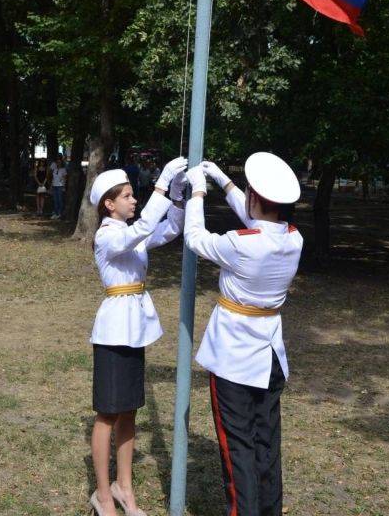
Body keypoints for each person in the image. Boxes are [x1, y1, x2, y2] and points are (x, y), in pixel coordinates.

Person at [184, 153, 303, 516]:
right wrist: (225, 182)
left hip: (235, 358)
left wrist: (198, 194)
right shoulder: (293, 238)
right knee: (266, 443)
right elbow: (259, 219)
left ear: (255, 198)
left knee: (238, 449)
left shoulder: (241, 243)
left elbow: (194, 238)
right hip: (270, 356)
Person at [89, 156, 187, 516]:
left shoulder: (133, 234)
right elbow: (142, 228)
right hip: (114, 330)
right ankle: (102, 494)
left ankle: (123, 487)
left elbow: (171, 229)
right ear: (108, 204)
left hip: (134, 330)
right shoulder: (108, 234)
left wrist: (177, 195)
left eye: (134, 194)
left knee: (129, 410)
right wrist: (161, 183)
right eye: (128, 196)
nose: (134, 200)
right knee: (107, 414)